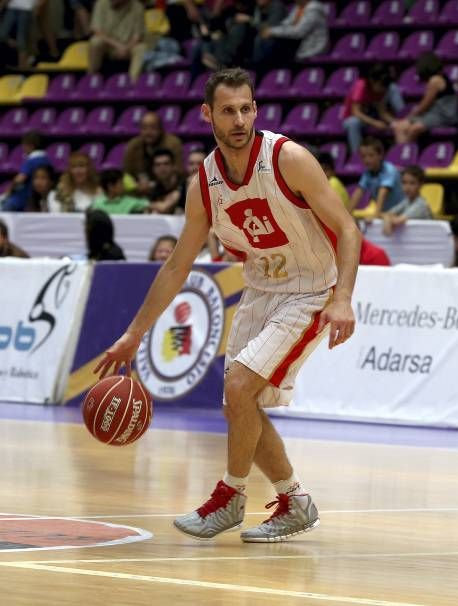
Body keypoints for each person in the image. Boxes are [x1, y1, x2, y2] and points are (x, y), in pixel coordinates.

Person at [94, 68, 361, 542]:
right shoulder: (205, 182)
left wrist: (342, 299)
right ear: (207, 114)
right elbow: (177, 265)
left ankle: (230, 498)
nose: (239, 119)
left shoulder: (288, 159)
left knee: (239, 388)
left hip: (312, 290)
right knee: (240, 405)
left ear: (255, 110)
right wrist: (133, 334)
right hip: (261, 288)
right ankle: (294, 500)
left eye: (246, 108)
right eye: (228, 110)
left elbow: (348, 229)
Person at [392, 52, 458, 145]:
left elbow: (425, 105)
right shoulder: (435, 79)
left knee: (414, 128)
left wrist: (409, 117)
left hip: (444, 115)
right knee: (399, 127)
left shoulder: (435, 80)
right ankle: (400, 155)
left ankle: (406, 154)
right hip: (433, 114)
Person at [342, 63, 404, 155]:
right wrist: (375, 123)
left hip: (371, 117)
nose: (383, 89)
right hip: (354, 118)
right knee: (353, 123)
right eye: (380, 85)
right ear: (372, 81)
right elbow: (356, 112)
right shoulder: (361, 86)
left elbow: (382, 112)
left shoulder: (382, 89)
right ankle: (357, 156)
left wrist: (395, 123)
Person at [123, 112, 184, 198]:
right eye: (144, 128)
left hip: (169, 191)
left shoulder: (173, 143)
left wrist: (154, 185)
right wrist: (135, 186)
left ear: (160, 129)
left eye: (153, 128)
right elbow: (126, 174)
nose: (148, 132)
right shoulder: (133, 146)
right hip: (140, 193)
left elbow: (178, 173)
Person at [251, 0, 328, 67]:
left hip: (312, 47)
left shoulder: (314, 10)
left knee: (271, 43)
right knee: (264, 39)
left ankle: (260, 68)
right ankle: (259, 68)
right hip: (297, 44)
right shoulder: (299, 7)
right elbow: (286, 24)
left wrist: (272, 31)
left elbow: (298, 32)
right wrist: (271, 30)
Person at [88, 0, 147, 81]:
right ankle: (91, 78)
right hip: (108, 45)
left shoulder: (137, 6)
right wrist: (118, 46)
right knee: (95, 41)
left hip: (128, 46)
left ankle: (133, 82)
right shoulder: (101, 3)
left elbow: (138, 36)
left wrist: (126, 48)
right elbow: (97, 31)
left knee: (141, 48)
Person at [348, 137, 404, 215]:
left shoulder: (389, 170)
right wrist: (347, 215)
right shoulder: (367, 173)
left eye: (371, 155)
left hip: (402, 212)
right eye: (363, 156)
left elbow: (383, 193)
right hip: (386, 213)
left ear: (380, 155)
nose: (367, 160)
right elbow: (357, 194)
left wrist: (376, 214)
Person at [1, 130, 50, 212]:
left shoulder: (31, 160)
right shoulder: (46, 160)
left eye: (24, 145)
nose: (23, 148)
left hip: (22, 199)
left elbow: (20, 179)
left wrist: (8, 191)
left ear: (30, 145)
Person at [382, 165, 433, 236]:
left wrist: (387, 219)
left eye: (412, 183)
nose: (407, 187)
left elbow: (397, 221)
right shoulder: (406, 201)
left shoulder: (421, 205)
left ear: (421, 184)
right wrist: (387, 217)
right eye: (404, 183)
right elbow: (387, 213)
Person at [148, 149, 184, 214]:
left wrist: (147, 205)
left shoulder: (183, 185)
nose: (162, 168)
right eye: (158, 165)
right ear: (153, 169)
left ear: (173, 166)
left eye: (166, 164)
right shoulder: (155, 188)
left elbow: (164, 208)